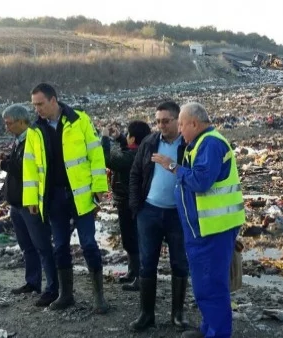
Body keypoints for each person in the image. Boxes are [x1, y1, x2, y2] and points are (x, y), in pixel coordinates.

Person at [152, 102, 245, 338]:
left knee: (212, 286)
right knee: (205, 285)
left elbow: (201, 181)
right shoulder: (200, 143)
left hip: (213, 229)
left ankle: (217, 333)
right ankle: (209, 328)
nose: (180, 129)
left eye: (182, 124)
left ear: (194, 123)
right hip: (202, 229)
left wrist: (172, 166)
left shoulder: (211, 144)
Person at [22, 83, 110, 314]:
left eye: (40, 104)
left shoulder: (79, 120)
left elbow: (96, 154)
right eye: (34, 105)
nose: (37, 109)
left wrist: (99, 186)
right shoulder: (34, 131)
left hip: (80, 196)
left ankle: (99, 297)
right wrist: (31, 199)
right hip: (53, 198)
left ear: (54, 100)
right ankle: (66, 295)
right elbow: (30, 167)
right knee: (60, 246)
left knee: (89, 243)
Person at [0, 104, 59, 307]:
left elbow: (28, 169)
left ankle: (53, 289)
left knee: (43, 246)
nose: (6, 127)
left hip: (30, 203)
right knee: (27, 246)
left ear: (21, 121)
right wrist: (6, 159)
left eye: (9, 123)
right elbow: (18, 163)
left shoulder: (34, 139)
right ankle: (32, 282)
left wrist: (1, 165)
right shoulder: (19, 140)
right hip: (17, 203)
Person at [128, 101, 190, 332]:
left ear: (177, 120)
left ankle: (178, 315)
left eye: (166, 121)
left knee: (179, 263)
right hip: (150, 211)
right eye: (158, 121)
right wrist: (137, 207)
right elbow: (135, 173)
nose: (161, 125)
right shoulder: (150, 142)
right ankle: (146, 314)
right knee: (147, 264)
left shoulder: (187, 144)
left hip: (177, 214)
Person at [100, 121, 151, 292]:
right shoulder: (140, 151)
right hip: (128, 201)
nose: (126, 138)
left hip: (129, 201)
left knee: (132, 239)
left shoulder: (132, 156)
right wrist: (120, 137)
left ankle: (138, 276)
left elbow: (109, 160)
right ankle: (133, 272)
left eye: (128, 135)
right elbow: (127, 149)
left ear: (134, 138)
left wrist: (105, 139)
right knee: (130, 238)